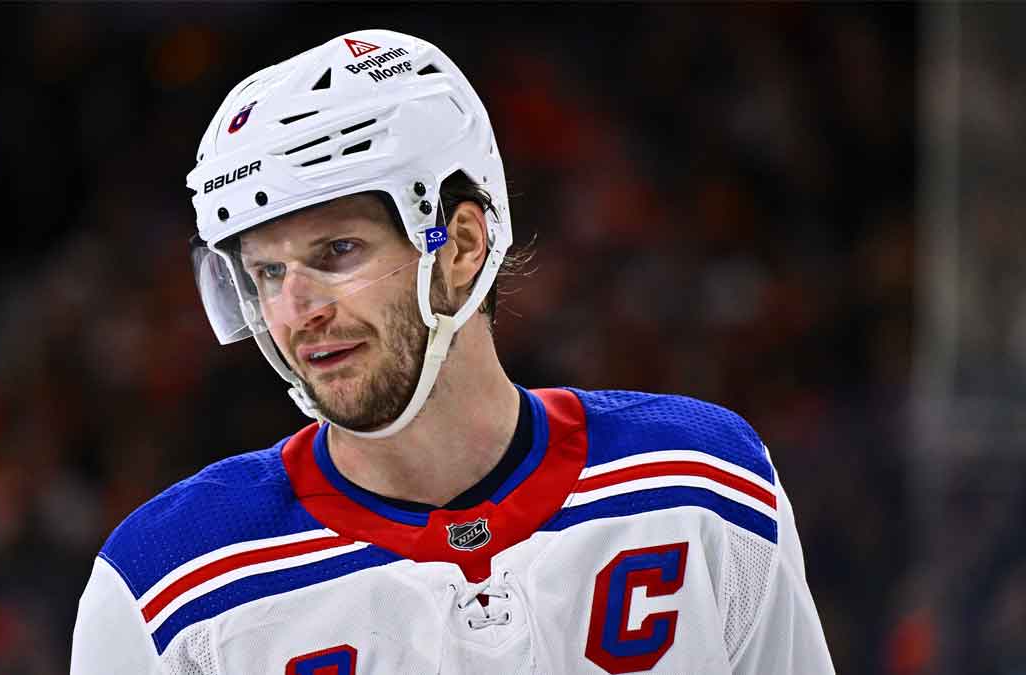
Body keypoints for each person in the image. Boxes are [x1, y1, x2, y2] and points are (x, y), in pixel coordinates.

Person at [71, 29, 834, 675]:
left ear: (463, 243)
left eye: (337, 251)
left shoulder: (704, 484)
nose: (296, 311)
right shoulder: (168, 590)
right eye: (268, 272)